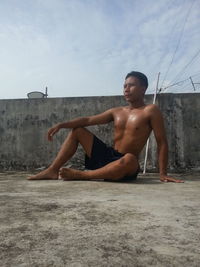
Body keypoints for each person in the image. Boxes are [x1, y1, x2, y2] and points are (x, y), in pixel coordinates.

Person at [28, 71, 183, 183]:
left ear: (143, 88)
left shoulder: (151, 110)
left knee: (129, 158)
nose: (126, 89)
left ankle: (81, 175)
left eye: (131, 85)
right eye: (124, 86)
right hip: (107, 158)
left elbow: (162, 142)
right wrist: (62, 124)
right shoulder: (117, 112)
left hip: (125, 165)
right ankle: (53, 170)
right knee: (78, 131)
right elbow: (88, 120)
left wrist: (163, 173)